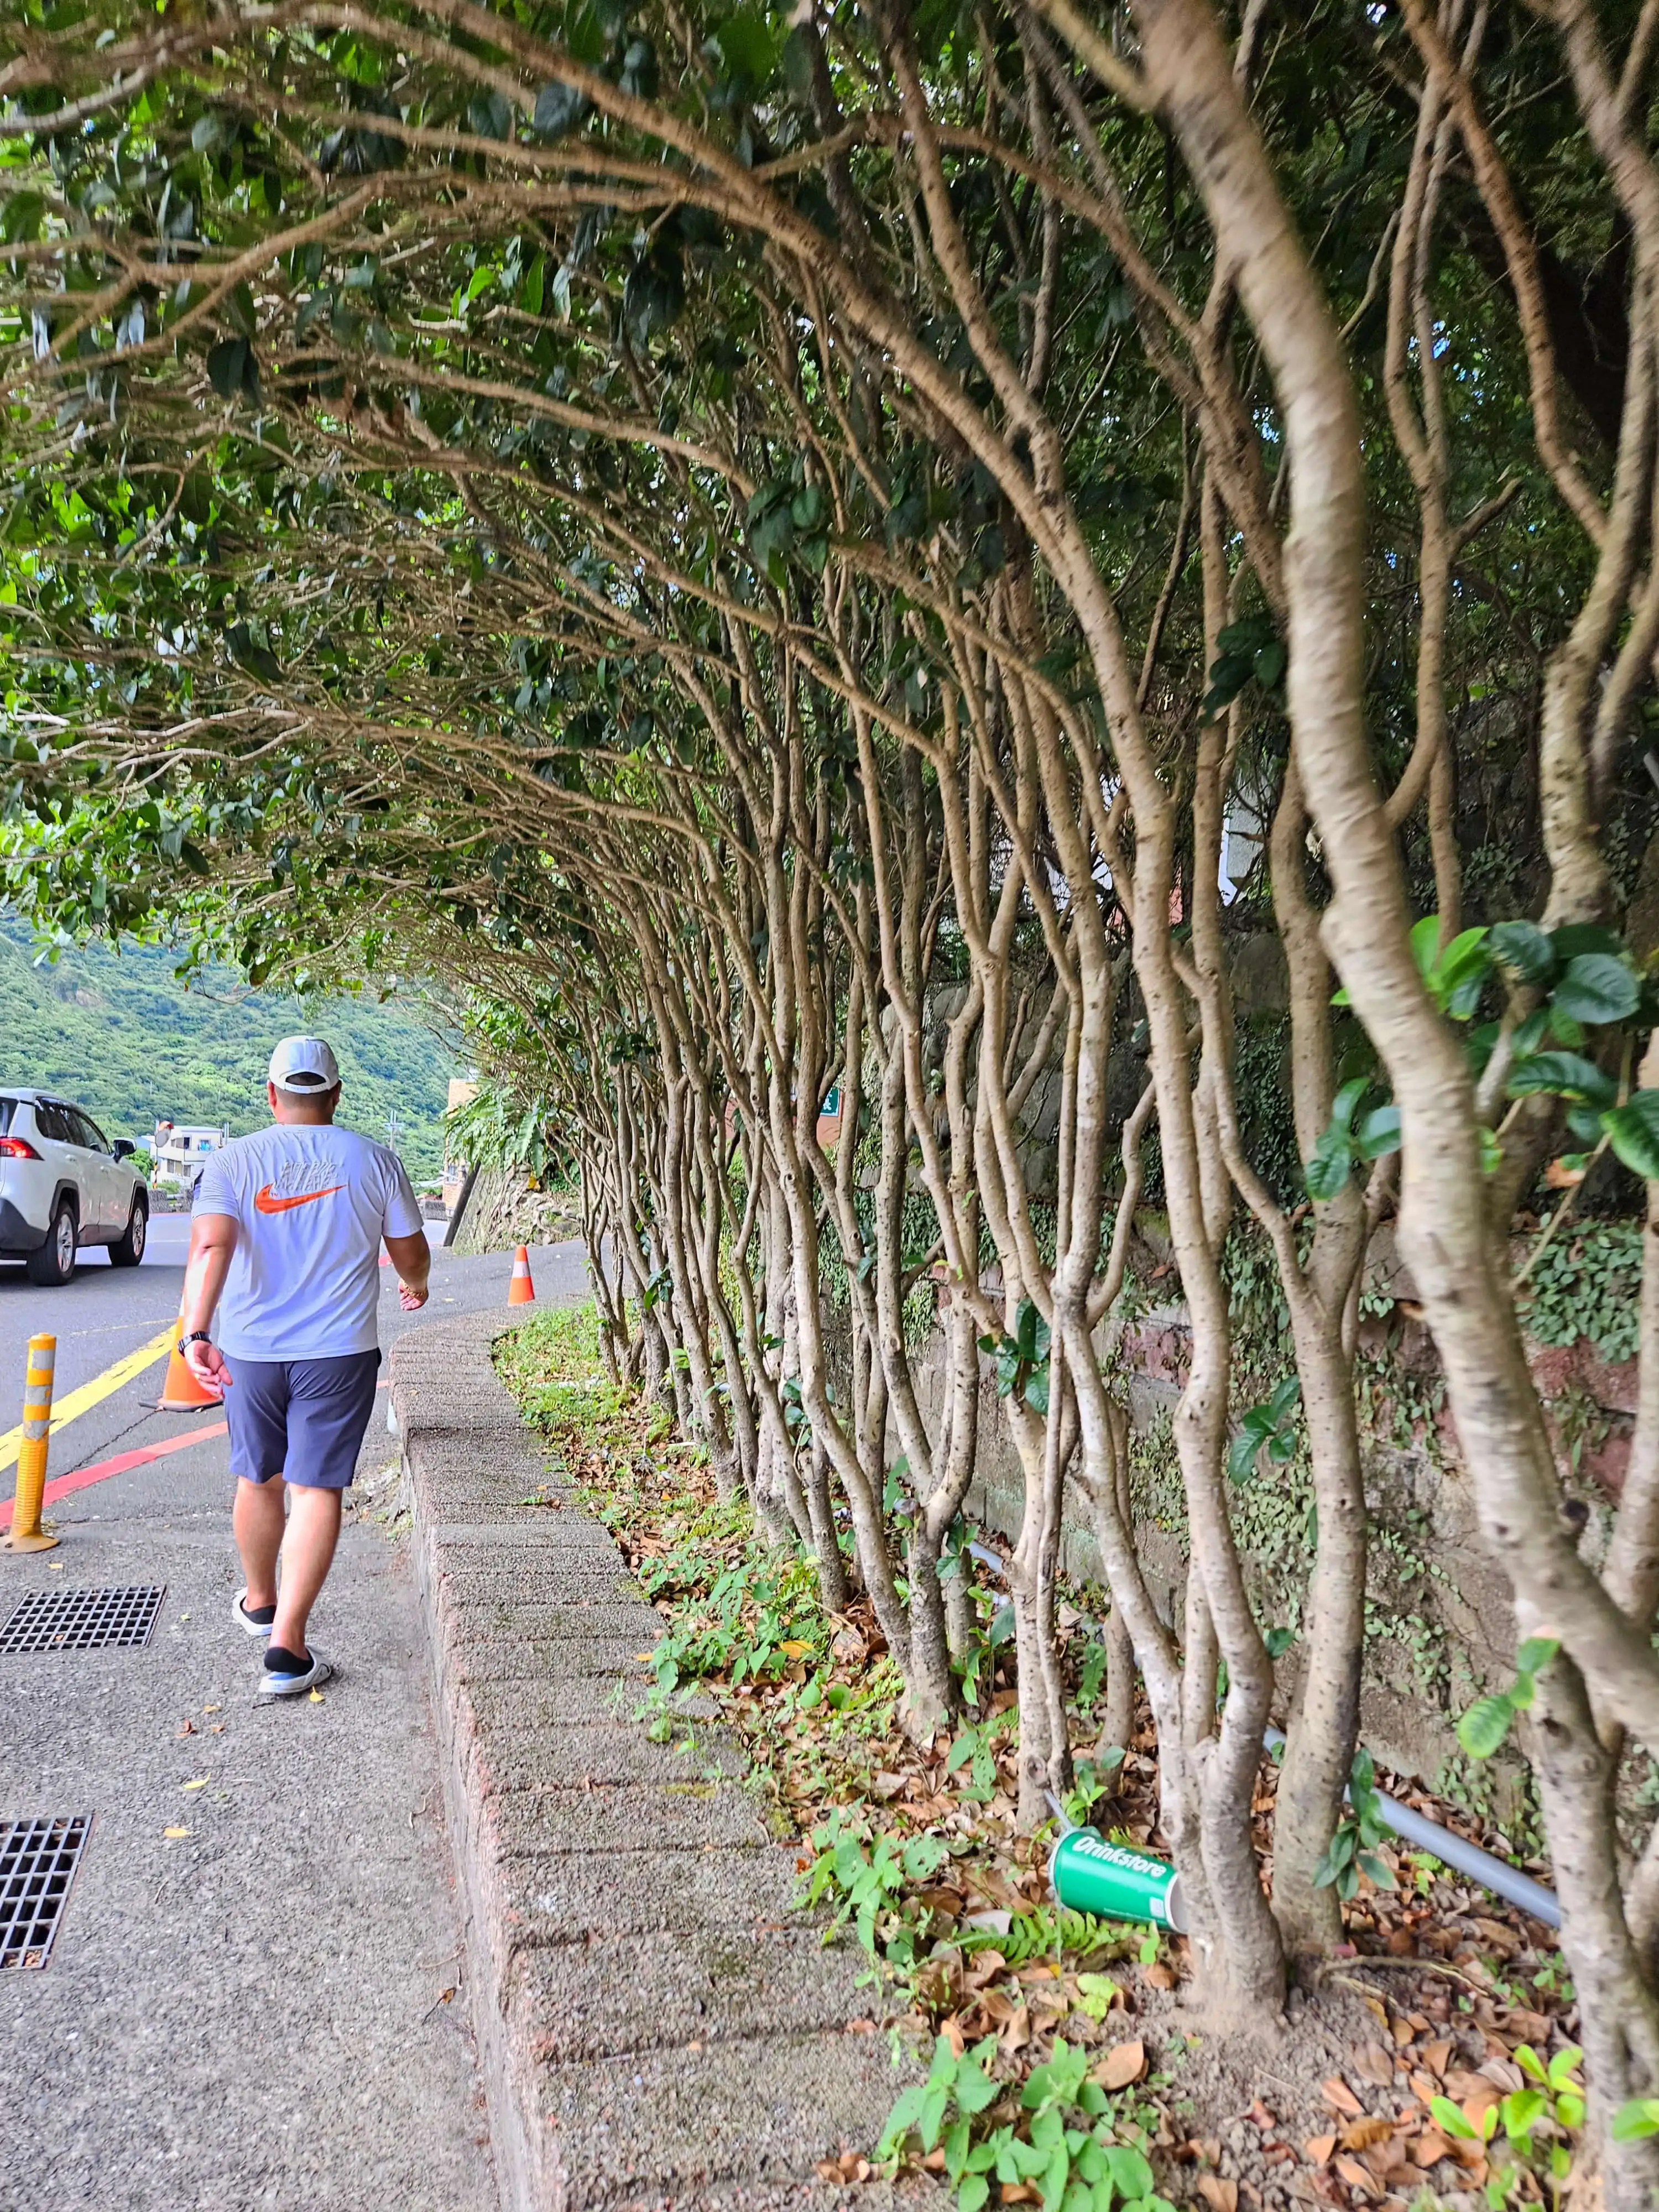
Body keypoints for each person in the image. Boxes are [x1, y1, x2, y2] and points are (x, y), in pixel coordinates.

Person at [178, 1036, 430, 1696]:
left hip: (251, 1351)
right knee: (316, 1487)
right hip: (339, 1351)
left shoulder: (234, 1161)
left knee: (258, 1477)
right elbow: (410, 1251)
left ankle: (260, 1602)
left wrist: (196, 1332)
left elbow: (211, 1245)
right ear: (336, 1094)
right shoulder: (374, 1159)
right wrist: (417, 1283)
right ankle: (288, 1646)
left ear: (271, 1095)